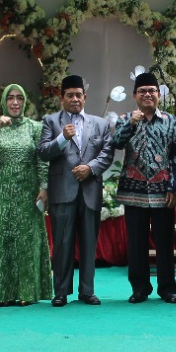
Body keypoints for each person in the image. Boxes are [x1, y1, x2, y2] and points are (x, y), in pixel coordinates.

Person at [37, 75, 115, 307]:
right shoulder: (51, 122)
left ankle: (87, 291)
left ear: (85, 97)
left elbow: (107, 153)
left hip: (90, 189)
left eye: (78, 95)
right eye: (69, 95)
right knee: (62, 243)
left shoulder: (99, 123)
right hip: (62, 191)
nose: (74, 99)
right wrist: (62, 138)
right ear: (61, 98)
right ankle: (61, 291)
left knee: (89, 243)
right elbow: (42, 152)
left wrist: (90, 168)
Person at [0, 83, 52, 305]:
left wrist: (44, 187)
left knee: (27, 241)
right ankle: (1, 293)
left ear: (25, 101)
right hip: (2, 192)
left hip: (29, 193)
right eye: (10, 98)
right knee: (2, 240)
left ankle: (27, 292)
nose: (15, 102)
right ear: (4, 102)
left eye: (19, 98)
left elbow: (42, 159)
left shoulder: (34, 127)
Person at [113, 72, 176, 304]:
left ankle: (167, 289)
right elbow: (116, 143)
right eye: (142, 91)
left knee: (165, 241)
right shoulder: (125, 119)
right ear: (135, 95)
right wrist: (131, 124)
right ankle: (140, 288)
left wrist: (174, 187)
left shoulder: (171, 121)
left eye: (152, 91)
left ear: (159, 95)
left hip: (163, 190)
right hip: (134, 191)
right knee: (137, 243)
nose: (147, 95)